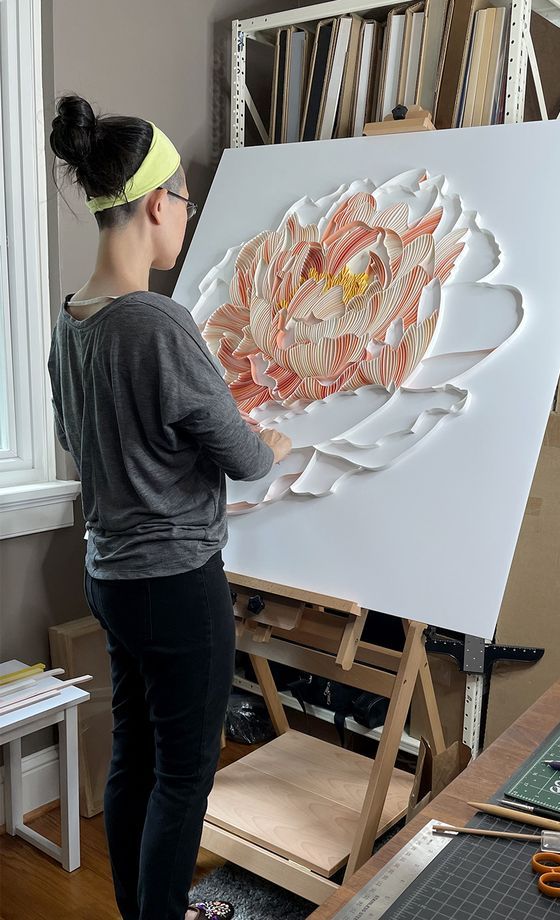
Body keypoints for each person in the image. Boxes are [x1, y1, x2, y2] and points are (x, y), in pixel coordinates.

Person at [47, 94, 291, 920]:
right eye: (185, 200)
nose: (185, 214)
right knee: (185, 776)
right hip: (177, 582)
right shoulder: (156, 321)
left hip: (112, 578)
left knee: (136, 759)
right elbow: (248, 458)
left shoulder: (71, 321)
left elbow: (91, 438)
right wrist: (275, 446)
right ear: (159, 204)